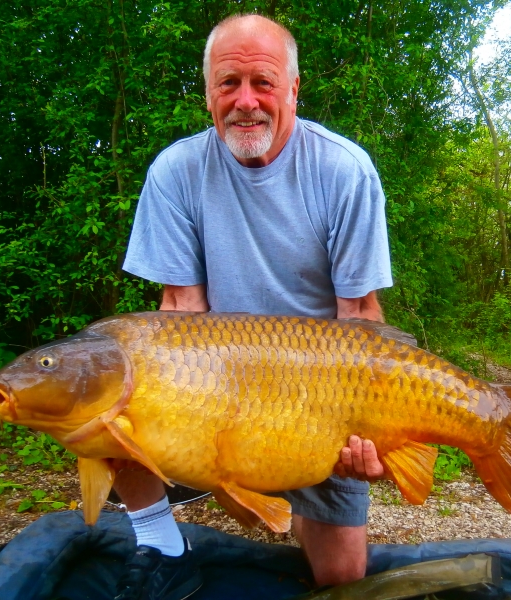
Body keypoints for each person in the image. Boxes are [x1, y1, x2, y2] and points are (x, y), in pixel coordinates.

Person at [117, 13, 393, 600]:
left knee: (342, 583)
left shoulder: (344, 170)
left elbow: (361, 317)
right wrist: (179, 425)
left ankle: (301, 505)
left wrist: (369, 431)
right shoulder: (176, 171)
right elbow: (179, 311)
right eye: (228, 84)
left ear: (294, 89)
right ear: (208, 94)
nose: (246, 102)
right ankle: (163, 544)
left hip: (319, 393)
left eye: (263, 83)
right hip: (219, 387)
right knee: (110, 391)